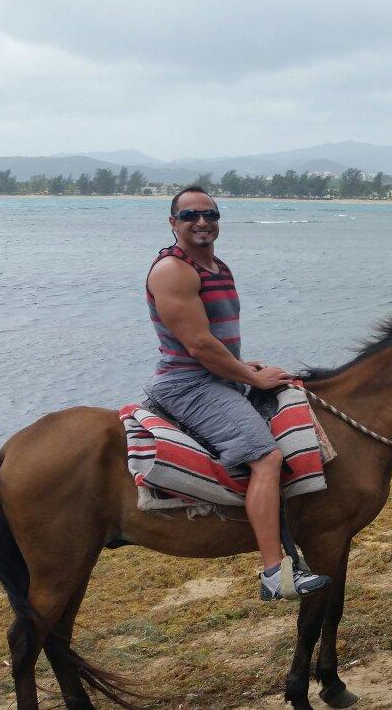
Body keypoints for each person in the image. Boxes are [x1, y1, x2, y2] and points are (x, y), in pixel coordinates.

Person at [144, 186, 330, 599]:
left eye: (210, 215)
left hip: (220, 376)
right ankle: (273, 575)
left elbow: (216, 342)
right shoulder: (173, 271)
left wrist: (245, 367)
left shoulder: (216, 267)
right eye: (190, 214)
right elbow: (198, 346)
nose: (202, 222)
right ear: (173, 222)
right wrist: (253, 379)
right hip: (190, 385)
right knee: (266, 457)